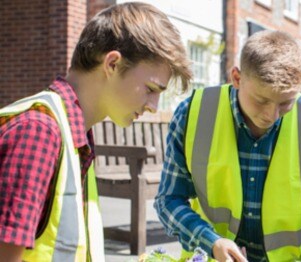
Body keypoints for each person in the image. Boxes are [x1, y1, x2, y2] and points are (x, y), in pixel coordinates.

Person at [155, 30, 301, 262]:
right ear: (237, 78)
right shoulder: (195, 113)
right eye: (261, 100)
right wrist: (210, 241)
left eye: (285, 103)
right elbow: (169, 199)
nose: (272, 115)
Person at [0, 3, 192, 262]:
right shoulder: (40, 132)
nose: (153, 106)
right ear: (112, 64)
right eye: (150, 89)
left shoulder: (75, 134)